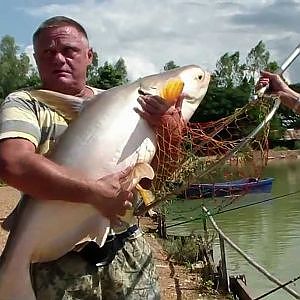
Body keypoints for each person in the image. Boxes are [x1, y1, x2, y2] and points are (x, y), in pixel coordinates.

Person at [0, 16, 183, 299]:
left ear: (89, 56)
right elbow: (13, 163)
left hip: (127, 249)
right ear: (36, 59)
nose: (58, 59)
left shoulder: (125, 102)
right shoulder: (25, 102)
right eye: (47, 53)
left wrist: (169, 129)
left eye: (68, 50)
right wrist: (93, 193)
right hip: (60, 262)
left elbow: (160, 173)